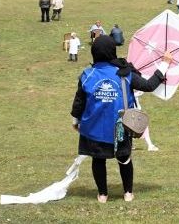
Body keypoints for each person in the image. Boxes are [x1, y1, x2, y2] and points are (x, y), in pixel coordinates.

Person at [70, 36, 172, 203]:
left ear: (93, 52)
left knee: (98, 160)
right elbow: (148, 86)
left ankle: (103, 194)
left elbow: (79, 102)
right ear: (113, 51)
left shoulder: (87, 75)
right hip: (121, 128)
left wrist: (75, 121)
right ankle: (128, 193)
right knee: (124, 159)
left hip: (94, 130)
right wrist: (165, 63)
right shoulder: (126, 74)